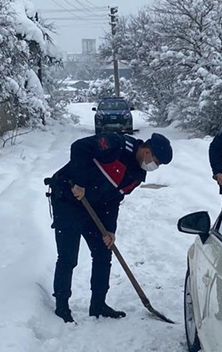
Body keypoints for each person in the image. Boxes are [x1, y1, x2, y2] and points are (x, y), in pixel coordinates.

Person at [45, 131, 173, 323]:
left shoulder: (136, 176)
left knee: (103, 253)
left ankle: (98, 304)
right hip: (67, 198)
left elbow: (114, 200)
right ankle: (62, 306)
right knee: (68, 256)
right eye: (157, 161)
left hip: (93, 208)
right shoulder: (116, 144)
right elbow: (79, 147)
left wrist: (110, 230)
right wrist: (80, 183)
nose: (155, 166)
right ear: (147, 151)